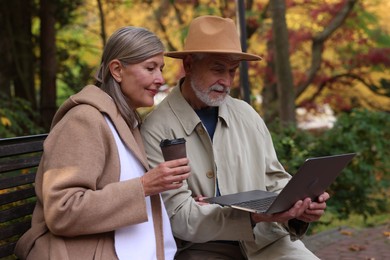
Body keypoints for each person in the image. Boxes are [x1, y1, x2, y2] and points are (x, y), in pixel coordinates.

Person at [141, 15, 329, 259]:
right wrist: (252, 216)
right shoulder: (156, 128)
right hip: (202, 248)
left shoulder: (246, 114)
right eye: (218, 69)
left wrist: (301, 203)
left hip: (267, 240)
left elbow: (274, 180)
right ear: (189, 65)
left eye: (232, 71)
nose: (227, 81)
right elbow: (179, 217)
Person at [14, 26, 191, 260]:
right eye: (150, 68)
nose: (160, 79)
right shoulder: (84, 120)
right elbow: (62, 211)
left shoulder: (126, 121)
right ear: (117, 70)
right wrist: (144, 186)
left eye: (161, 69)